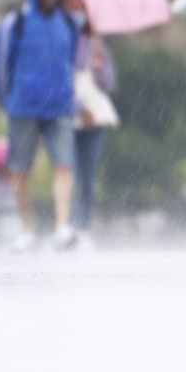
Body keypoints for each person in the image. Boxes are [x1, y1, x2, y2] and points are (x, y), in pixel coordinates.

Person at [0, 0, 81, 251]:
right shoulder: (15, 22)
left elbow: (72, 60)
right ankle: (26, 228)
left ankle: (62, 226)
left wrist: (69, 92)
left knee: (63, 165)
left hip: (60, 105)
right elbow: (0, 63)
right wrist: (8, 98)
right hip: (24, 106)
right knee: (20, 168)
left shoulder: (68, 23)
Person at [70, 22, 118, 241]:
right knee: (70, 172)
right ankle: (68, 223)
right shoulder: (67, 42)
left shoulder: (99, 47)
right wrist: (79, 107)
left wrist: (99, 61)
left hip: (96, 115)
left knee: (89, 175)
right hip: (70, 113)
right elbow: (63, 79)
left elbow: (108, 83)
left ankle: (84, 225)